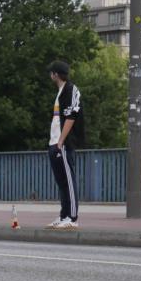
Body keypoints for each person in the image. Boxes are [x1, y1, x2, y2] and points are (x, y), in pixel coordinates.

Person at [45, 60, 85, 229]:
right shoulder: (60, 92)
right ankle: (64, 215)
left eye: (51, 72)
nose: (50, 75)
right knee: (61, 182)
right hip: (54, 143)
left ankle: (72, 218)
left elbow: (72, 116)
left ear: (55, 74)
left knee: (69, 181)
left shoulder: (70, 90)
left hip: (64, 144)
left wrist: (61, 141)